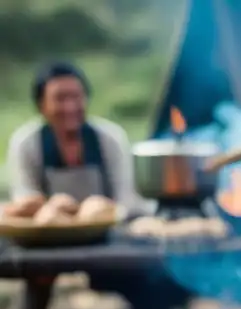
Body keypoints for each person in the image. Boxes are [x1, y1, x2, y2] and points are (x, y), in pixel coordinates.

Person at [6, 61, 144, 211]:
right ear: (41, 105)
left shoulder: (110, 138)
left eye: (76, 97)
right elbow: (24, 196)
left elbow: (126, 197)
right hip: (48, 231)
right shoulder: (27, 143)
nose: (70, 107)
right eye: (60, 98)